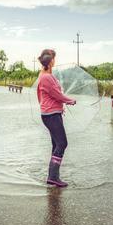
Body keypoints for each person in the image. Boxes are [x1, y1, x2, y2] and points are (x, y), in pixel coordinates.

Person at [36, 49, 76, 188]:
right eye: (54, 58)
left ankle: (53, 176)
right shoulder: (46, 77)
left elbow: (49, 95)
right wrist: (69, 100)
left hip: (51, 113)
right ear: (51, 60)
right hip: (51, 115)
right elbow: (56, 95)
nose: (55, 60)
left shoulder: (45, 75)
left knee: (56, 144)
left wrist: (58, 106)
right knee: (62, 143)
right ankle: (53, 177)